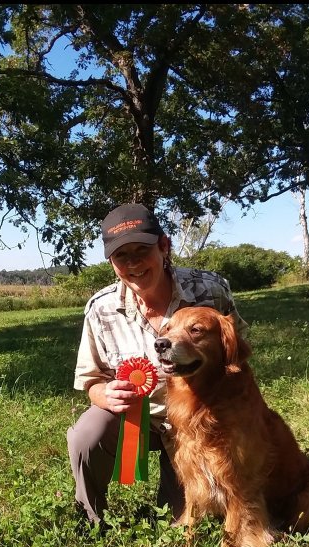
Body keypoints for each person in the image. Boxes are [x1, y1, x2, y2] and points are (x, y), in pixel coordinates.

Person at [67, 203, 248, 528]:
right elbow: (91, 380)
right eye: (122, 255)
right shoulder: (101, 308)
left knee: (179, 520)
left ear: (164, 246)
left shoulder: (209, 291)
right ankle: (90, 519)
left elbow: (237, 356)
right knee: (86, 433)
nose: (133, 263)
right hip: (138, 424)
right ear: (111, 262)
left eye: (142, 249)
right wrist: (106, 394)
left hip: (198, 422)